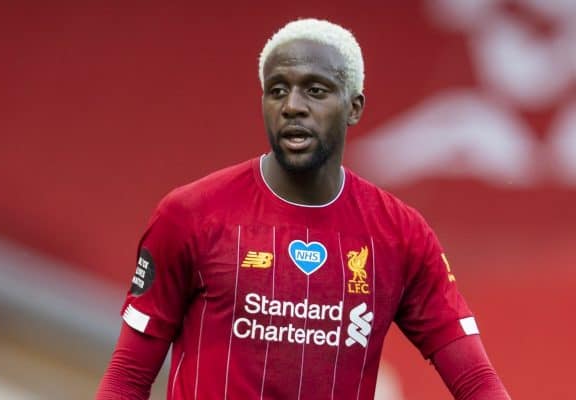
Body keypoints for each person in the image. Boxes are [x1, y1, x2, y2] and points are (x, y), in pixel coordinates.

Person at [96, 18, 510, 400]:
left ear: (354, 107)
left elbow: (476, 382)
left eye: (315, 90)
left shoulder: (400, 235)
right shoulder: (190, 215)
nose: (292, 105)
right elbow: (128, 376)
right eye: (277, 90)